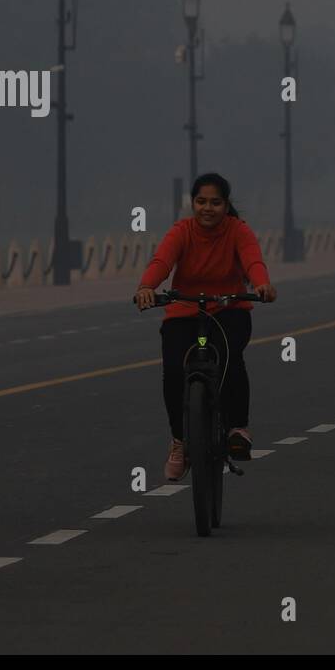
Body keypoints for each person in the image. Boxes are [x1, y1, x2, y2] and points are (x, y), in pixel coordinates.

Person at [135, 173, 277, 480]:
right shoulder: (182, 231)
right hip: (184, 311)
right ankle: (179, 442)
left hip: (230, 310)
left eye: (215, 202)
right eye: (201, 202)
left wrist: (263, 284)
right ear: (192, 203)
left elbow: (253, 261)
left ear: (226, 205)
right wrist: (146, 286)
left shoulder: (238, 231)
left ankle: (238, 428)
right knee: (174, 370)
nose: (207, 208)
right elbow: (162, 261)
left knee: (230, 360)